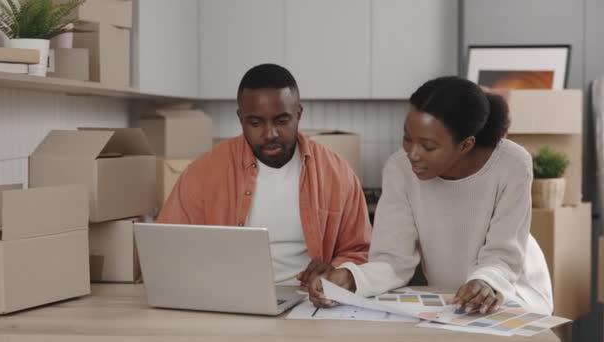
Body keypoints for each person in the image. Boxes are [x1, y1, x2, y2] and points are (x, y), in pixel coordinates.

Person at [308, 76, 553, 315]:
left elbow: (503, 253)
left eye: (428, 146)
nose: (413, 154)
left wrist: (486, 282)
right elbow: (394, 260)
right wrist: (351, 277)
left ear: (466, 145)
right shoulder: (399, 169)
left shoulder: (512, 164)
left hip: (509, 289)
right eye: (407, 138)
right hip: (449, 299)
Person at [158, 63, 372, 287]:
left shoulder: (337, 174)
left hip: (308, 302)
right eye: (255, 123)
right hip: (227, 301)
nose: (270, 134)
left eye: (281, 121)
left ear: (298, 114)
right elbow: (166, 247)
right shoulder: (202, 173)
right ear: (241, 118)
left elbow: (360, 250)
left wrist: (337, 271)